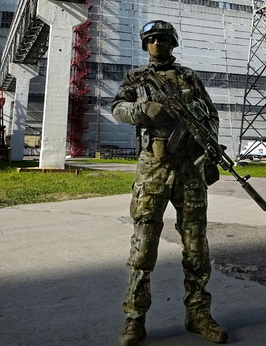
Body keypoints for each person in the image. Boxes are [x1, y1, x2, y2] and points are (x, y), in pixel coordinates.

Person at [112, 20, 228, 346]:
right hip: (154, 169)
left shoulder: (189, 77)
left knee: (196, 246)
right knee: (143, 245)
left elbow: (211, 115)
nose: (156, 43)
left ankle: (199, 314)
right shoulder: (136, 78)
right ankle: (134, 319)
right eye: (151, 39)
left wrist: (208, 141)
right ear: (144, 44)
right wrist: (143, 109)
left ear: (172, 42)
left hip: (190, 168)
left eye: (162, 38)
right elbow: (117, 108)